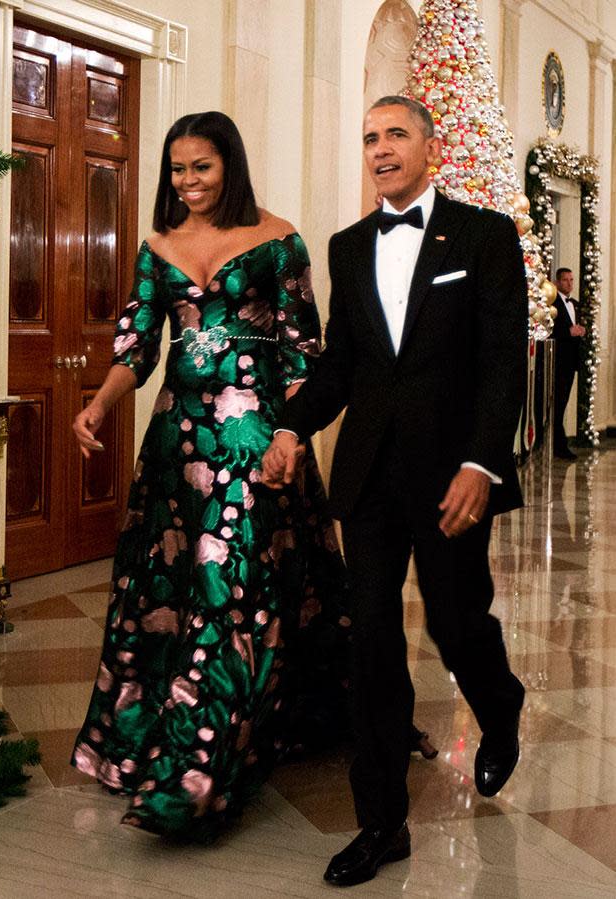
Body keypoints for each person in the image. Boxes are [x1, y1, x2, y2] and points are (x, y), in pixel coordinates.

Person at [262, 96, 527, 887]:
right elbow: (343, 361)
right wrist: (290, 425)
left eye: (396, 134)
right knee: (370, 638)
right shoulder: (349, 247)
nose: (380, 149)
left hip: (452, 475)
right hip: (370, 476)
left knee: (455, 621)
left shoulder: (484, 236)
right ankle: (382, 822)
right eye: (370, 137)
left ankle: (501, 702)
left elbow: (502, 360)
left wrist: (481, 463)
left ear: (430, 147)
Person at [70, 111, 352, 841]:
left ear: (231, 164)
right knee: (171, 587)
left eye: (202, 166)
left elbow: (302, 352)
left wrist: (290, 436)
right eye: (177, 169)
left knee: (231, 591)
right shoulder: (158, 246)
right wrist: (100, 404)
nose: (188, 182)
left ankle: (197, 772)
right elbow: (136, 347)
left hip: (253, 440)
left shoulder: (277, 239)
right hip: (175, 441)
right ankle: (162, 740)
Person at [552, 267, 585, 460]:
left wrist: (581, 331)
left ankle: (559, 444)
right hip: (556, 362)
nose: (570, 284)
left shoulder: (575, 304)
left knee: (562, 404)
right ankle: (559, 446)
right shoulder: (553, 303)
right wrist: (568, 332)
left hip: (570, 363)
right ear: (557, 282)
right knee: (557, 405)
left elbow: (574, 328)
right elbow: (550, 331)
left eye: (572, 280)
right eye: (566, 280)